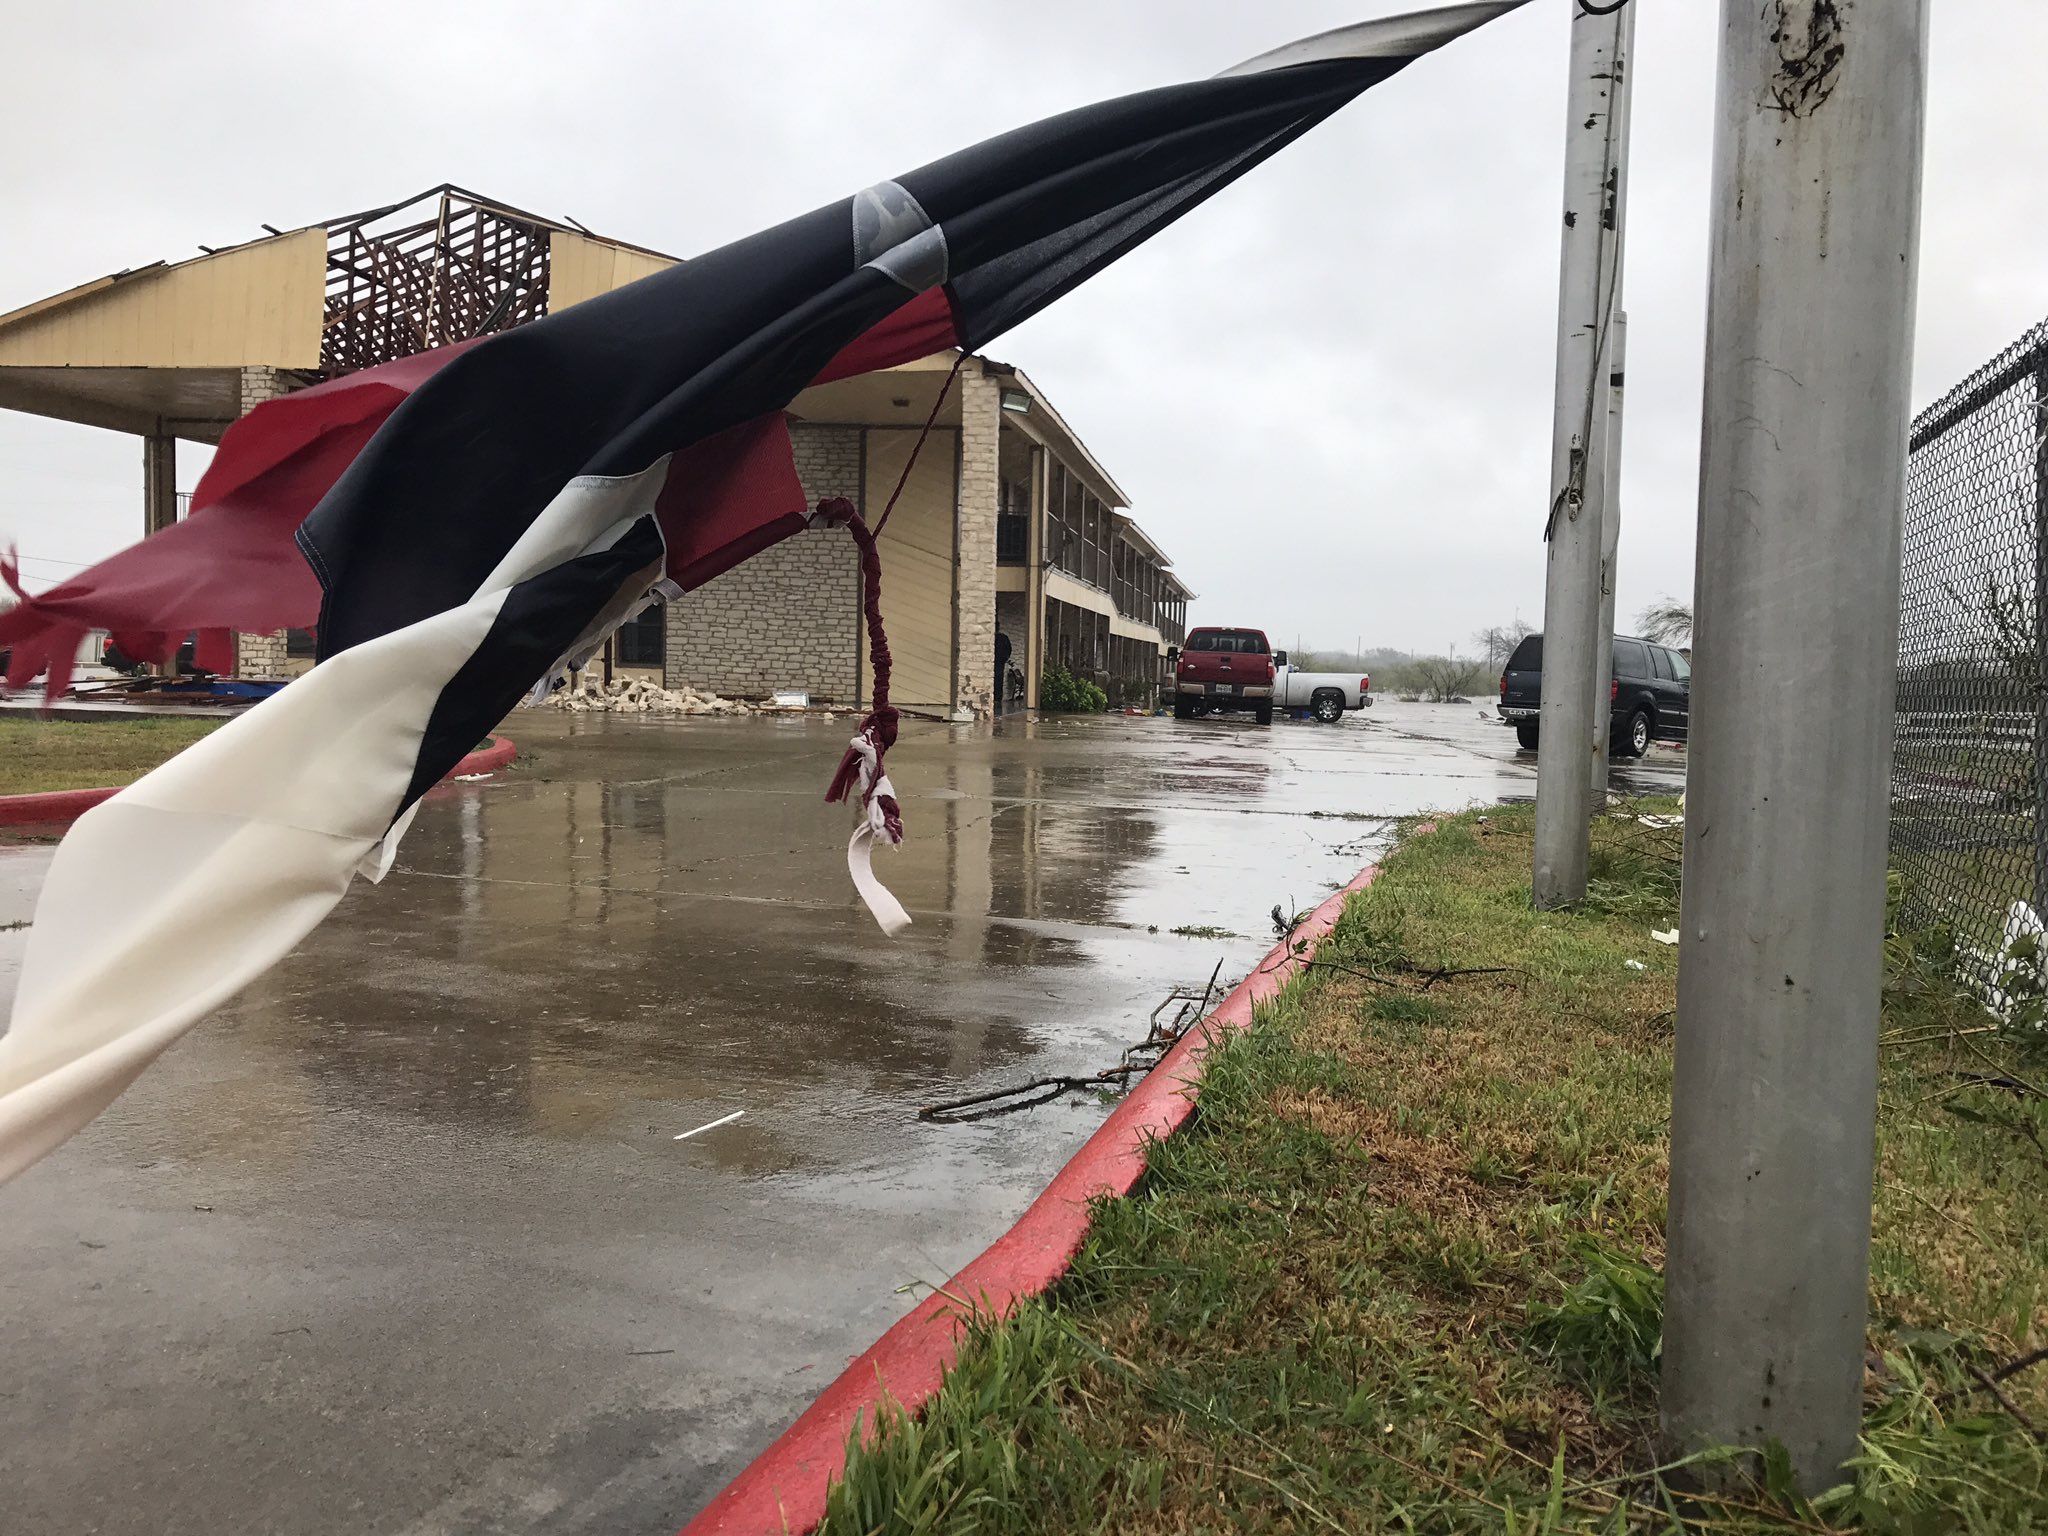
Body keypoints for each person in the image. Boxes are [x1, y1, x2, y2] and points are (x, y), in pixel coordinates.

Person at [993, 629, 1013, 715]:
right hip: (1000, 661)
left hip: (997, 660)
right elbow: (1009, 649)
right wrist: (1005, 658)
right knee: (999, 679)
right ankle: (997, 698)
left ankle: (996, 698)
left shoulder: (997, 638)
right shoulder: (1003, 638)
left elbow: (1008, 649)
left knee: (997, 679)